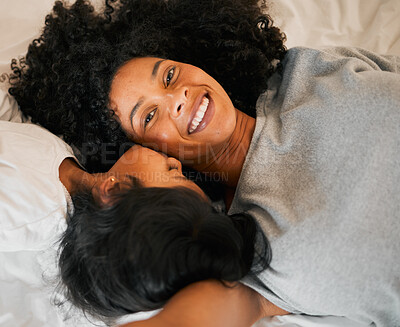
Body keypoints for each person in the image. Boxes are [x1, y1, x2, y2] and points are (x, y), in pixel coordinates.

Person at [7, 0, 400, 326]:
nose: (177, 97)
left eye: (170, 75)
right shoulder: (248, 245)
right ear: (142, 153)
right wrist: (83, 181)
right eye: (148, 116)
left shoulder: (306, 68)